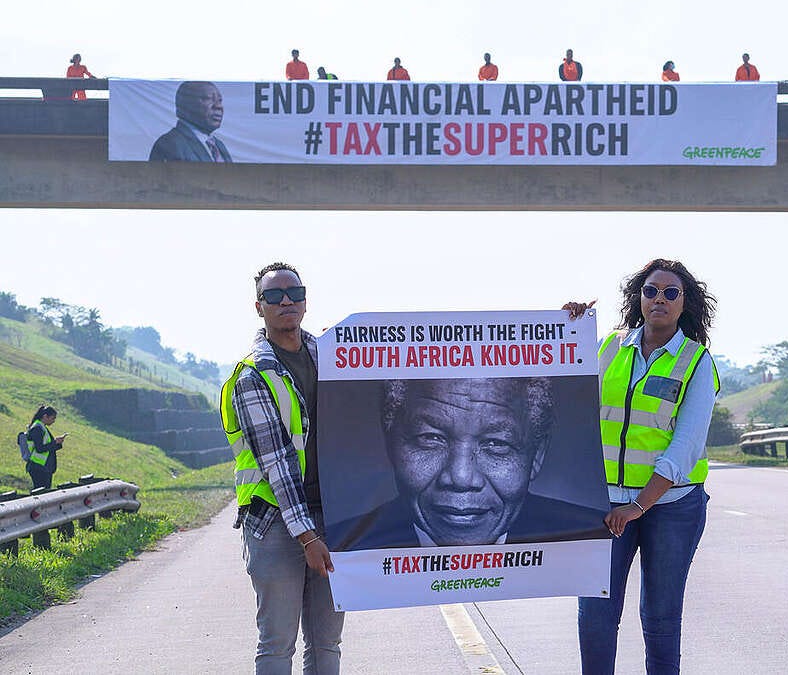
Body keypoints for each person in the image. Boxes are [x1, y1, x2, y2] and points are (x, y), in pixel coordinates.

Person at [565, 258, 720, 675]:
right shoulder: (609, 348)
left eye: (671, 293)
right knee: (596, 616)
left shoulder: (696, 361)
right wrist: (566, 329)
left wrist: (639, 506)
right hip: (605, 506)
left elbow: (685, 446)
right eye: (651, 290)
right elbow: (564, 394)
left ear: (685, 304)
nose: (659, 299)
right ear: (639, 297)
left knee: (660, 617)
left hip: (672, 506)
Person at [220, 262, 344, 673]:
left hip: (333, 518)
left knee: (327, 644)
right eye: (274, 296)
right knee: (277, 644)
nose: (286, 300)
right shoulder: (252, 375)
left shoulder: (334, 357)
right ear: (260, 308)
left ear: (306, 302)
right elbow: (278, 462)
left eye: (294, 293)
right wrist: (308, 538)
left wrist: (555, 331)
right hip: (275, 524)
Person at [330, 377, 608, 550]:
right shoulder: (349, 547)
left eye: (496, 444)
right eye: (430, 438)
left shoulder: (581, 541)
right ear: (391, 444)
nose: (461, 477)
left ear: (536, 457)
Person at [148, 82, 232, 162]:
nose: (218, 106)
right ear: (185, 105)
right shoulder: (169, 144)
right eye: (207, 98)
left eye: (220, 100)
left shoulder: (218, 145)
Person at [24, 405, 66, 490]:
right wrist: (55, 442)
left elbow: (47, 446)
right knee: (41, 493)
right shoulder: (37, 428)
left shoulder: (42, 427)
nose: (53, 421)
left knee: (44, 492)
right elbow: (40, 448)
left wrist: (57, 443)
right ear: (45, 416)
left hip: (43, 467)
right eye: (52, 418)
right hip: (38, 467)